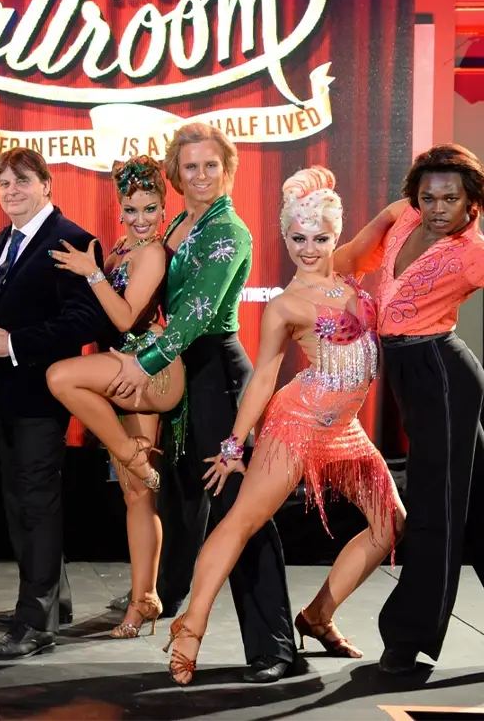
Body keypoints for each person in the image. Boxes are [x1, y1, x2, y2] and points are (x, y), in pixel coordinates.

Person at [163, 166, 404, 685]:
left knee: (391, 524)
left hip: (346, 429)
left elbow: (388, 218)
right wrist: (232, 444)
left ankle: (317, 616)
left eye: (319, 238)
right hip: (295, 425)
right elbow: (263, 377)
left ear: (335, 235)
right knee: (240, 521)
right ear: (285, 238)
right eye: (297, 239)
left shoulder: (349, 269)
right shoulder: (285, 305)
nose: (308, 248)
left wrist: (436, 200)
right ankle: (190, 626)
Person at [104, 123, 296, 683]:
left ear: (228, 170)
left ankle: (274, 647)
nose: (202, 176)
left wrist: (141, 367)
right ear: (175, 175)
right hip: (187, 377)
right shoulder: (183, 223)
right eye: (190, 167)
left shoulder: (229, 231)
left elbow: (192, 318)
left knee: (243, 512)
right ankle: (163, 600)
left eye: (211, 165)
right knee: (184, 504)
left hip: (217, 376)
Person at [334, 143, 484, 675]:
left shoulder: (471, 250)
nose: (438, 208)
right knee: (478, 501)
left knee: (433, 506)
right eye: (429, 196)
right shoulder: (401, 218)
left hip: (441, 373)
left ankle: (408, 637)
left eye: (451, 198)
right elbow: (350, 255)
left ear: (472, 204)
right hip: (405, 369)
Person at [0, 148, 106, 660]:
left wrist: (13, 344)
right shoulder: (2, 240)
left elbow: (82, 323)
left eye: (22, 180)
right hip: (5, 398)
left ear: (46, 185)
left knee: (36, 502)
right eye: (3, 182)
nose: (11, 190)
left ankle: (36, 620)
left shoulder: (71, 239)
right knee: (17, 500)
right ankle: (52, 598)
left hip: (43, 396)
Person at [45, 156, 186, 639]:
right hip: (123, 369)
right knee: (137, 494)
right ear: (120, 208)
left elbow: (126, 319)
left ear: (164, 207)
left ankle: (129, 453)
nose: (141, 218)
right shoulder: (125, 249)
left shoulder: (151, 254)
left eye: (150, 208)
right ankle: (144, 597)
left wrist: (92, 272)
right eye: (132, 209)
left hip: (151, 369)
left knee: (61, 377)